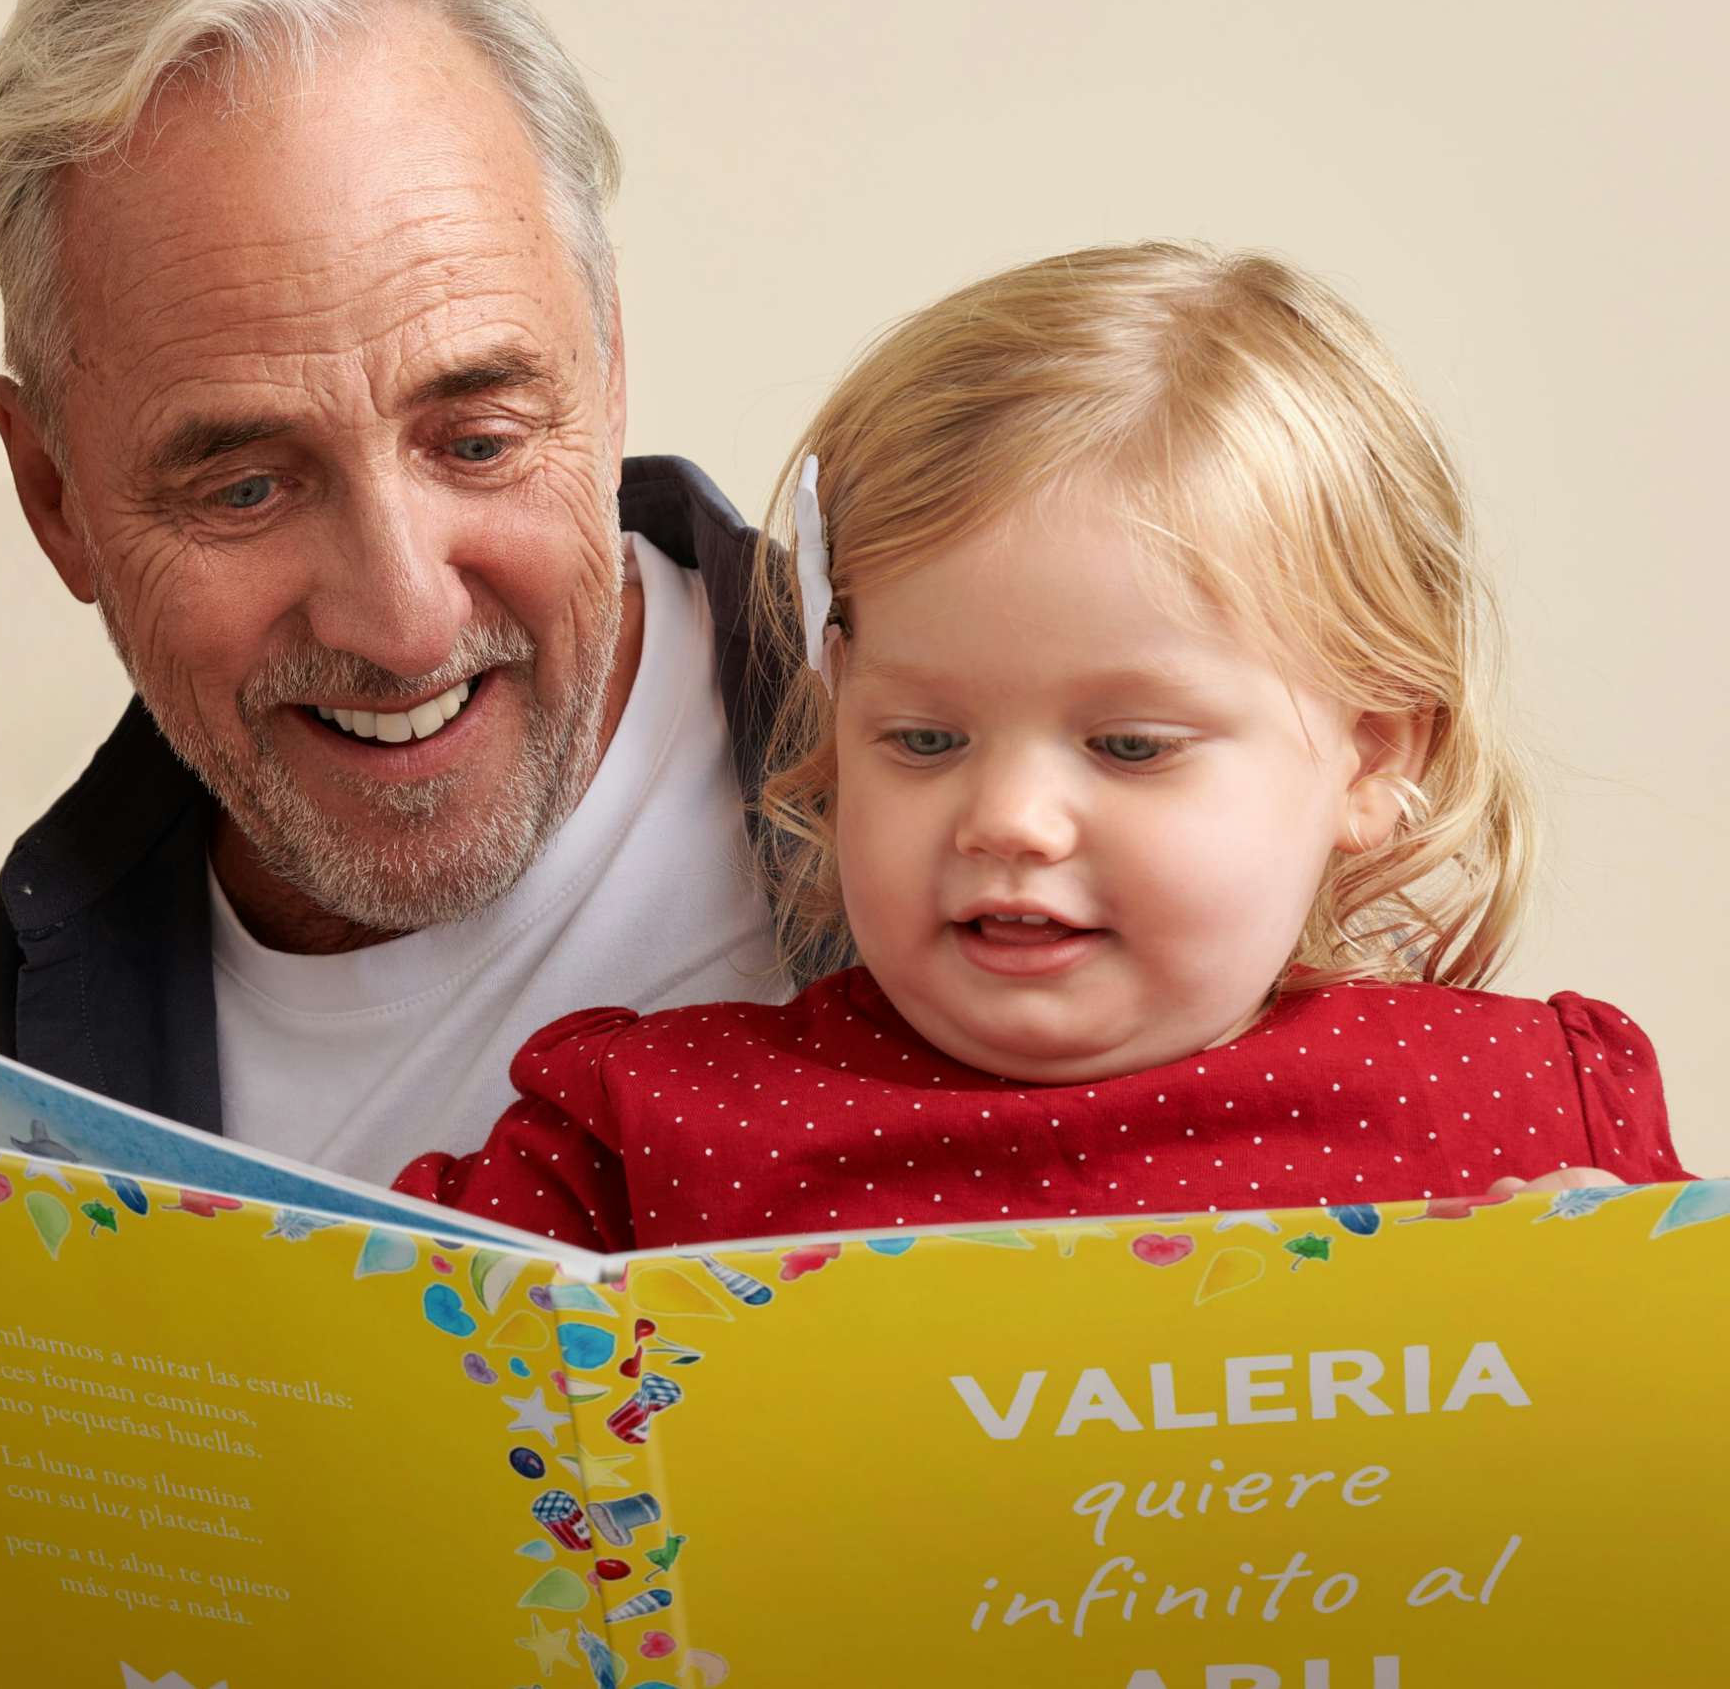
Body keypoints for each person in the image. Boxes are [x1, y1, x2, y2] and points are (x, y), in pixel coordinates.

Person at [396, 243, 1690, 1247]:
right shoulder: (651, 1138)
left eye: (1129, 745)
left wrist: (1629, 1357)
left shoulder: (1515, 1119)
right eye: (923, 737)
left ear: (1369, 759)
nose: (1008, 817)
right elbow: (338, 1378)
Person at [0, 0, 789, 1180]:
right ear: (55, 497)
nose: (405, 622)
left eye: (476, 441)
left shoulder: (1087, 817)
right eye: (247, 488)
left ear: (610, 365)